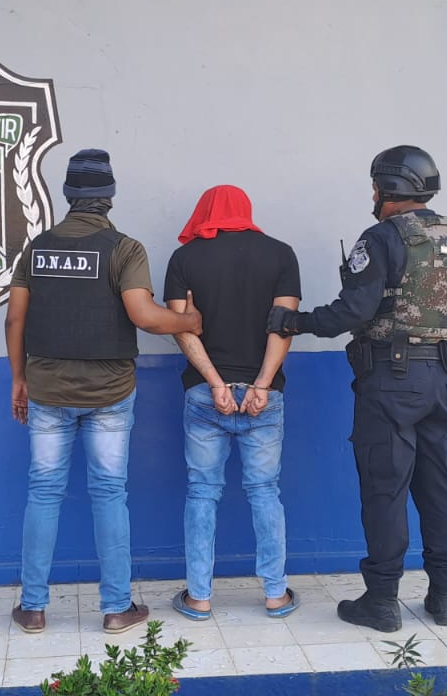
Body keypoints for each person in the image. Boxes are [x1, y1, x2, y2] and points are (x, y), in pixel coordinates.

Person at [267, 145, 447, 633]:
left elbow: (354, 312)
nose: (373, 196)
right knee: (441, 485)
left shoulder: (383, 237)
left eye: (374, 187)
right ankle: (444, 598)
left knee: (386, 488)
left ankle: (382, 602)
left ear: (388, 187)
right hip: (446, 380)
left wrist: (295, 322)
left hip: (392, 381)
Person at [4, 148, 202, 635]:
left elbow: (14, 320)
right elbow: (143, 316)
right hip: (109, 392)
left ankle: (33, 607)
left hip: (47, 389)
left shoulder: (37, 248)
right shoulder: (124, 249)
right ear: (109, 196)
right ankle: (116, 608)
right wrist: (188, 321)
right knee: (110, 493)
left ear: (67, 194)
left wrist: (19, 378)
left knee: (43, 492)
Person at [162, 185, 303, 622]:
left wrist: (215, 382)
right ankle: (275, 595)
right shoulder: (281, 255)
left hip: (206, 394)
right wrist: (262, 384)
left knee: (202, 492)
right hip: (265, 396)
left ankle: (199, 597)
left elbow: (181, 327)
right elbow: (283, 326)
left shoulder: (184, 258)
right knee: (265, 492)